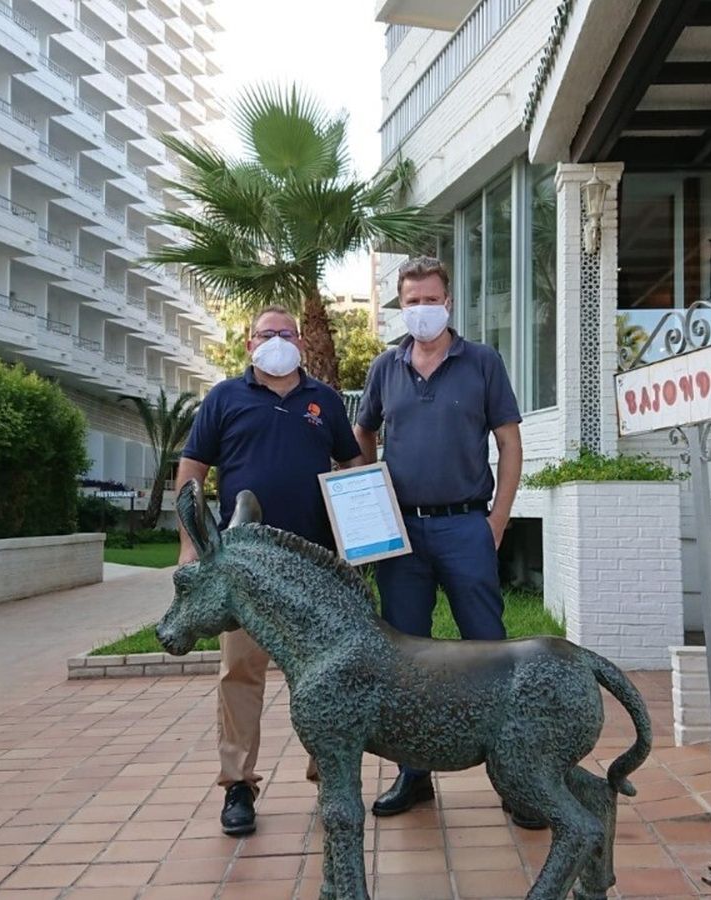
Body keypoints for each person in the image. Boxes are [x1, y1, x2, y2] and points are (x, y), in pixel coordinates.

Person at [353, 256, 533, 825]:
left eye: (431, 299)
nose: (422, 309)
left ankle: (519, 777)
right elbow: (364, 430)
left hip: (465, 527)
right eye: (412, 301)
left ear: (448, 301)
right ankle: (414, 775)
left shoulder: (482, 361)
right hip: (400, 534)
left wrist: (497, 521)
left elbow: (510, 445)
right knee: (407, 658)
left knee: (490, 650)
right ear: (400, 306)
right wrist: (367, 503)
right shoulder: (385, 367)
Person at [175, 307, 363, 837]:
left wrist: (365, 529)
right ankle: (238, 784)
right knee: (240, 672)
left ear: (300, 342)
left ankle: (327, 777)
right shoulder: (224, 399)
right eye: (266, 334)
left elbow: (351, 466)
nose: (276, 342)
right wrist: (190, 543)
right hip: (244, 567)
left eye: (285, 334)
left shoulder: (324, 400)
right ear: (247, 343)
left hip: (313, 567)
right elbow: (192, 471)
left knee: (322, 676)